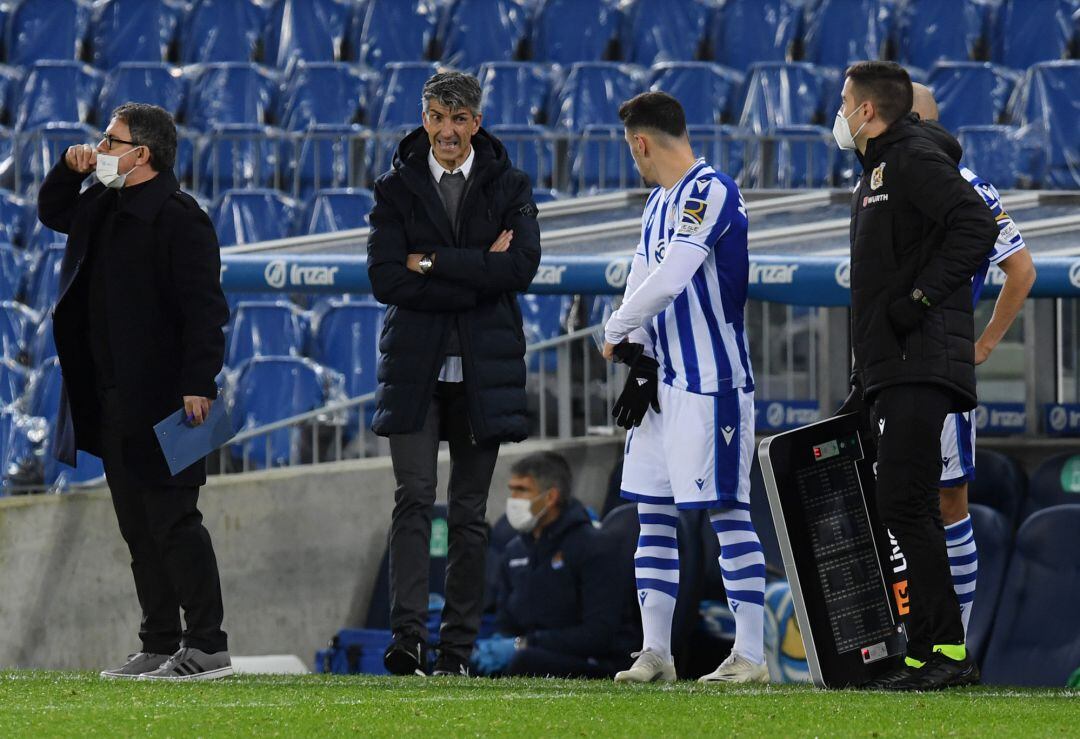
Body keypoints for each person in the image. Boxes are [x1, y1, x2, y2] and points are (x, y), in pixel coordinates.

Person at [38, 103, 232, 680]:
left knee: (176, 522)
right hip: (112, 397)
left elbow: (205, 311)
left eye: (110, 140)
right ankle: (158, 641)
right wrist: (67, 168)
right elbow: (52, 212)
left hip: (171, 401)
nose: (99, 148)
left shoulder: (181, 218)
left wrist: (199, 383)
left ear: (142, 154)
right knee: (138, 529)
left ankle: (208, 645)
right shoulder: (101, 203)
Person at [367, 71, 541, 677]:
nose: (446, 130)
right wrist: (475, 274)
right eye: (437, 117)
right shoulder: (394, 187)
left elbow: (520, 268)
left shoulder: (510, 184)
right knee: (413, 498)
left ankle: (457, 652)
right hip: (414, 370)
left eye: (458, 119)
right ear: (425, 119)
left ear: (476, 122)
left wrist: (431, 264)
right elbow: (385, 278)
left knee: (468, 512)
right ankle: (408, 639)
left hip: (481, 375)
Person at [832, 62, 1000, 690]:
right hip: (894, 365)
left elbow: (976, 226)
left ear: (868, 111)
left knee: (906, 502)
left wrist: (921, 300)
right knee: (906, 504)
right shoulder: (876, 171)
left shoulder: (911, 157)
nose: (839, 114)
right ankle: (926, 652)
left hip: (919, 362)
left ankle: (946, 653)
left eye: (844, 102)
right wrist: (864, 378)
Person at [601, 91, 769, 684]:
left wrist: (614, 327)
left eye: (632, 150)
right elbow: (642, 277)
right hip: (663, 383)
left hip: (712, 383)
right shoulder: (656, 203)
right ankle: (656, 653)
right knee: (652, 512)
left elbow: (674, 274)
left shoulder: (711, 189)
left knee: (728, 511)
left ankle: (751, 655)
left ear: (641, 142)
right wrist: (636, 348)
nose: (634, 159)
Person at [910, 82, 1036, 638]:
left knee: (948, 500)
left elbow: (1021, 270)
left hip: (940, 367)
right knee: (895, 500)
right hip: (888, 367)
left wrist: (982, 345)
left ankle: (953, 640)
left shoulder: (969, 187)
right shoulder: (875, 184)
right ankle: (911, 636)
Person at [473, 452, 637, 678]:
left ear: (550, 497)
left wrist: (526, 644)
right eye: (512, 489)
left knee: (525, 661)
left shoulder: (594, 546)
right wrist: (501, 643)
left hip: (595, 660)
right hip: (533, 653)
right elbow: (505, 622)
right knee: (468, 660)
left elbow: (598, 634)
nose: (513, 499)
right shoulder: (514, 552)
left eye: (522, 490)